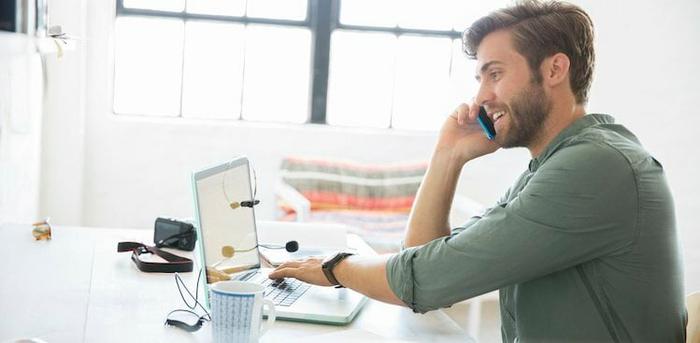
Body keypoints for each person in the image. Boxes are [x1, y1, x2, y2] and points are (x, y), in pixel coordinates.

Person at [269, 0, 687, 341]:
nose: (481, 95)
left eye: (495, 74)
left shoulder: (596, 167)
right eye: (480, 77)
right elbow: (424, 263)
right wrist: (448, 155)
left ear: (555, 70)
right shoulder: (552, 165)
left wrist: (334, 268)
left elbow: (425, 280)